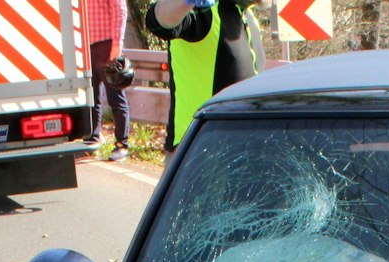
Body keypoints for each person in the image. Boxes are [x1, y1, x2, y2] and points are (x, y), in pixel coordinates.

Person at [147, 0, 262, 150]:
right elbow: (158, 21)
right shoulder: (203, 11)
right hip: (199, 147)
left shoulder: (246, 16)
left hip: (241, 143)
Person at [84, 0, 133, 159]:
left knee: (115, 97)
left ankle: (121, 145)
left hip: (107, 45)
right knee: (91, 96)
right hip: (86, 45)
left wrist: (117, 45)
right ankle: (92, 139)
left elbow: (120, 11)